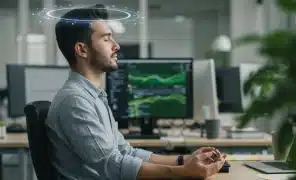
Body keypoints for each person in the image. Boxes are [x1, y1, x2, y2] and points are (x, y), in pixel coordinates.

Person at [46, 4, 226, 180]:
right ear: (82, 50)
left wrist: (185, 160)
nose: (116, 46)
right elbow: (112, 164)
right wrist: (184, 172)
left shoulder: (93, 97)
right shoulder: (74, 101)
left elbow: (125, 152)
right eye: (106, 39)